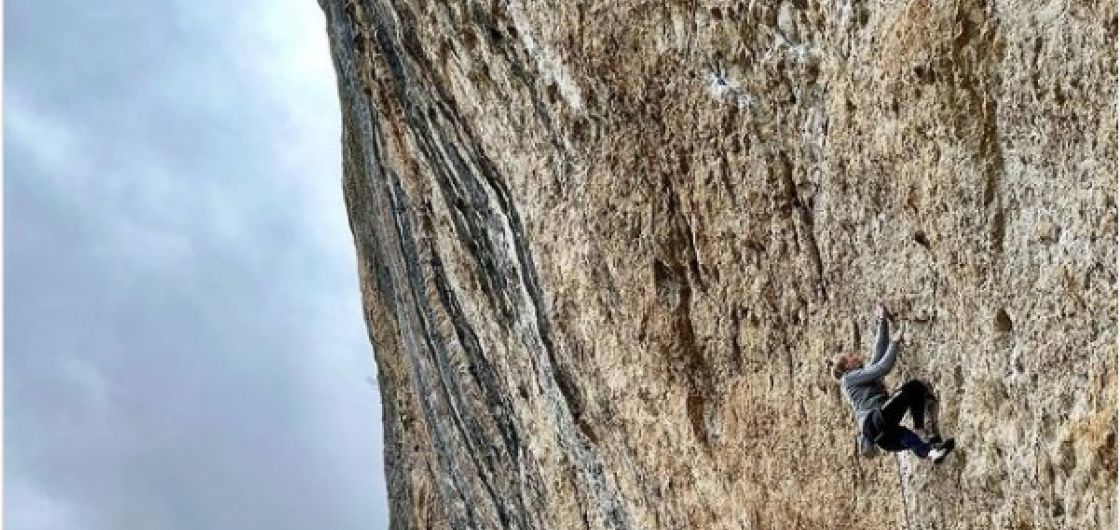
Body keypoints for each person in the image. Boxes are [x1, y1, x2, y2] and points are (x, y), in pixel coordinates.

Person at [833, 303, 955, 463]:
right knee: (914, 387)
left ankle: (932, 453)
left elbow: (878, 355)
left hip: (881, 437)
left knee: (907, 437)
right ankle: (920, 430)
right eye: (850, 357)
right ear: (847, 366)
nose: (855, 356)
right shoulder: (848, 379)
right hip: (874, 421)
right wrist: (895, 342)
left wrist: (882, 321)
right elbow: (882, 367)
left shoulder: (857, 378)